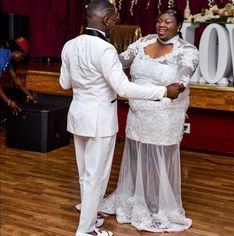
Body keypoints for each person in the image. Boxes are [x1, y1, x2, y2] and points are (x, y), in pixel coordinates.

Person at [59, 1, 185, 235]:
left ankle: (90, 218)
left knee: (86, 174)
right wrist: (163, 92)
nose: (115, 23)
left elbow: (64, 83)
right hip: (100, 121)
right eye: (115, 19)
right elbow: (124, 89)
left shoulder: (70, 45)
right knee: (96, 177)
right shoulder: (105, 49)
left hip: (78, 117)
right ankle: (85, 230)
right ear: (106, 20)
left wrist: (86, 83)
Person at [98, 8, 199, 233]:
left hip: (164, 114)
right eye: (160, 20)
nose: (162, 25)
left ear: (178, 26)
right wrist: (97, 56)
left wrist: (179, 85)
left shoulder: (187, 50)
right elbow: (118, 62)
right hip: (138, 113)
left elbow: (184, 75)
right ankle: (134, 197)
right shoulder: (143, 42)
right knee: (136, 156)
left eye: (168, 22)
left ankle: (156, 204)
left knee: (158, 158)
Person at [0, 37, 34, 115]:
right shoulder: (2, 58)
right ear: (17, 53)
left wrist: (27, 93)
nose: (22, 59)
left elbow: (15, 78)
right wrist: (8, 102)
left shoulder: (8, 57)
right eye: (22, 56)